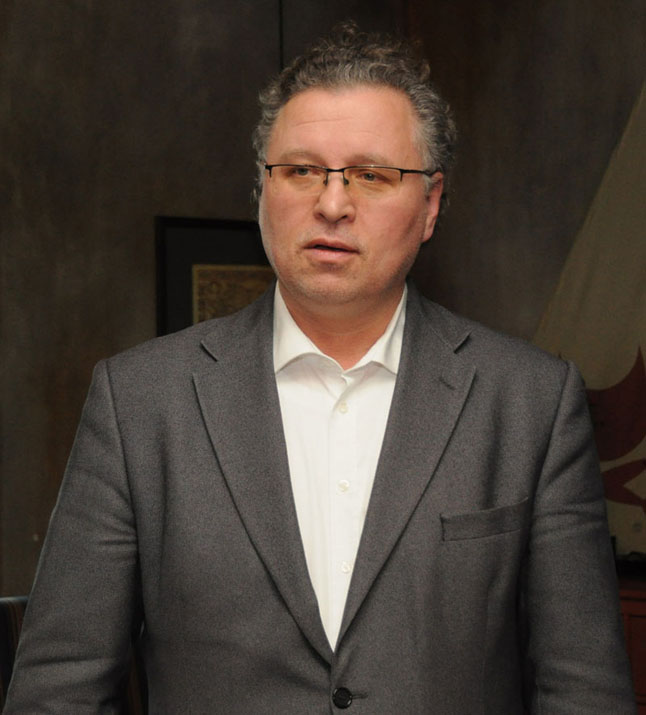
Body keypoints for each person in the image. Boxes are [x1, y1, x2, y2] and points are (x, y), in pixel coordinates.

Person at [5, 23, 635, 714]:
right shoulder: (139, 402)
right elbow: (57, 691)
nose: (332, 204)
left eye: (372, 175)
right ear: (261, 189)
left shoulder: (531, 403)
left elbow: (584, 692)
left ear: (429, 204)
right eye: (301, 170)